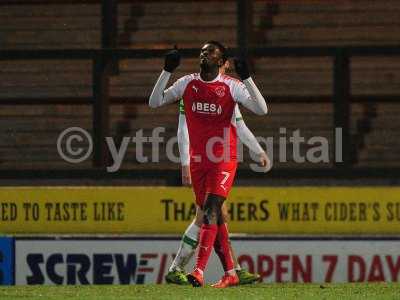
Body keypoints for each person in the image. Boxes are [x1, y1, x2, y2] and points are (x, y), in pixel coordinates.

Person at [149, 41, 268, 288]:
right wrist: (166, 70)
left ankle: (197, 271)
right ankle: (231, 272)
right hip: (198, 161)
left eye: (211, 52)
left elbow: (260, 110)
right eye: (203, 51)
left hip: (224, 158)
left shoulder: (231, 86)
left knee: (211, 210)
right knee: (216, 217)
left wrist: (247, 78)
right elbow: (155, 102)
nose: (205, 54)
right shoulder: (187, 84)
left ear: (223, 62)